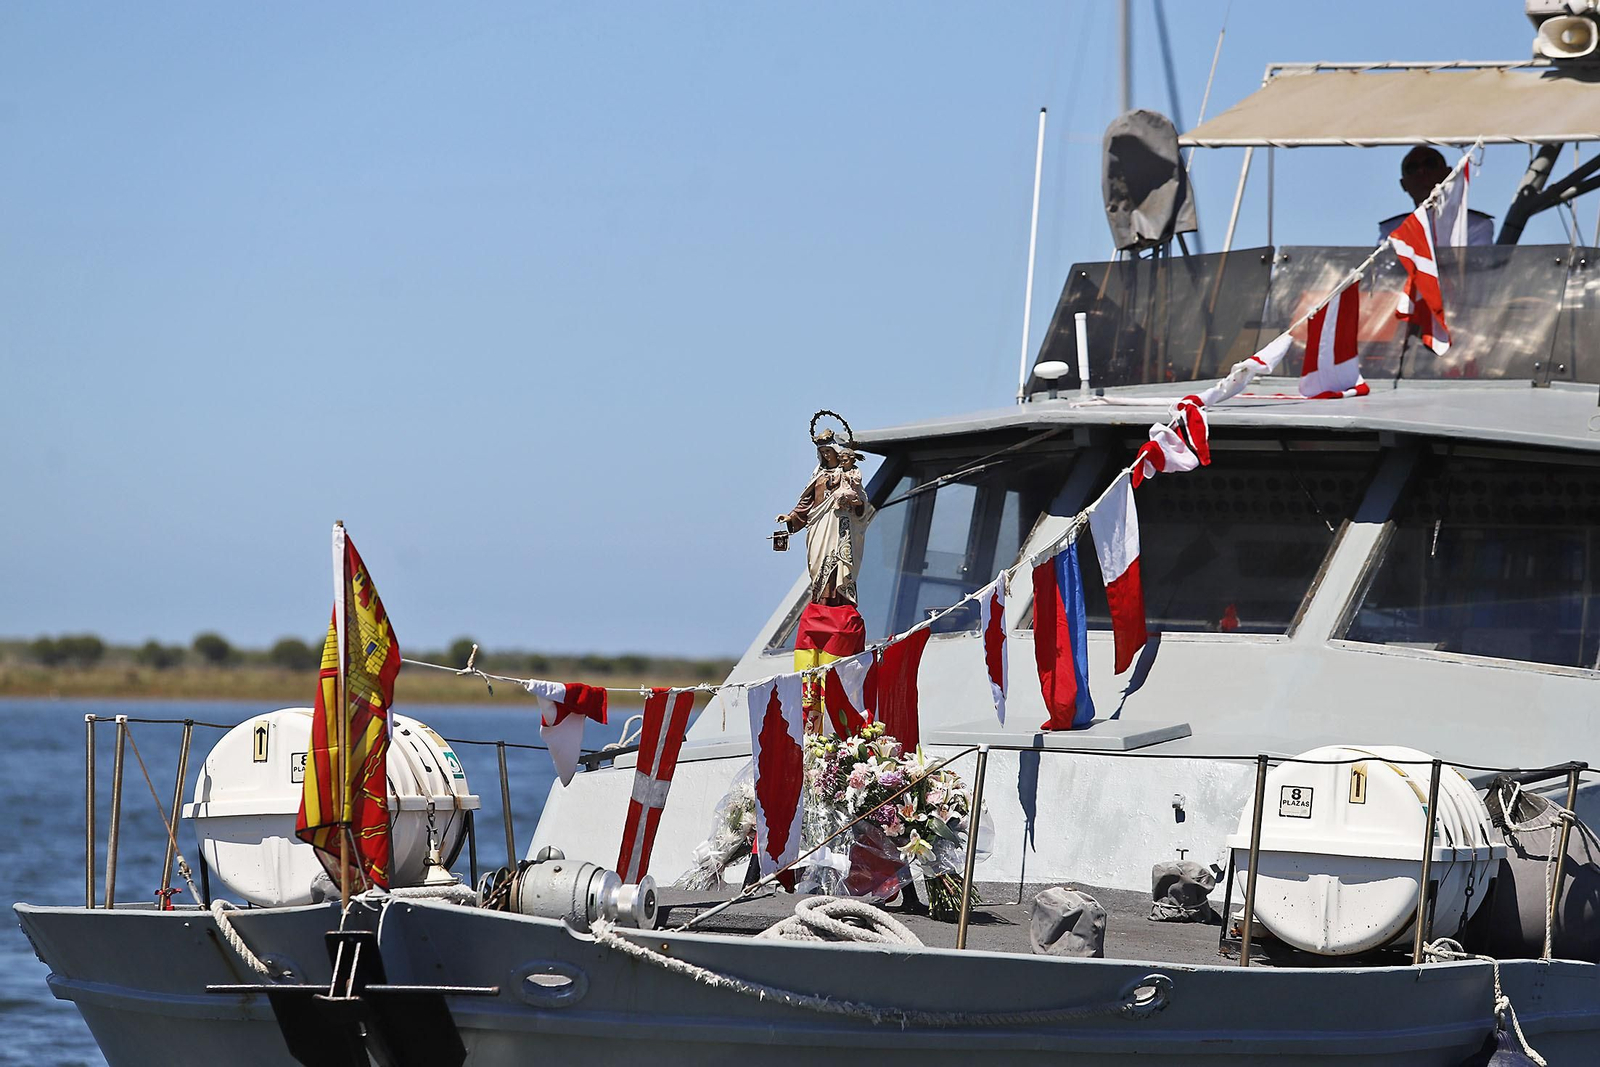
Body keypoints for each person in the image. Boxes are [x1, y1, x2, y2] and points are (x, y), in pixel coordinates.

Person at [1378, 146, 1494, 246]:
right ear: (1403, 185)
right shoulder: (1393, 230)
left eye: (1430, 164)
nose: (1422, 172)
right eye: (1412, 168)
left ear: (1448, 174)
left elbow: (1479, 268)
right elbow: (1381, 270)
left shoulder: (1475, 225)